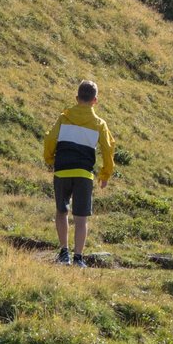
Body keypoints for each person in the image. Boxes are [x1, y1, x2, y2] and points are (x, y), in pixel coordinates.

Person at [44, 81, 114, 266]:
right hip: (84, 174)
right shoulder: (99, 124)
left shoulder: (64, 117)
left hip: (62, 170)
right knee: (81, 218)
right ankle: (78, 258)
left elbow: (50, 138)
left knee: (61, 212)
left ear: (77, 98)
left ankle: (63, 253)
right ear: (95, 100)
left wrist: (50, 159)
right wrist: (105, 174)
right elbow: (108, 149)